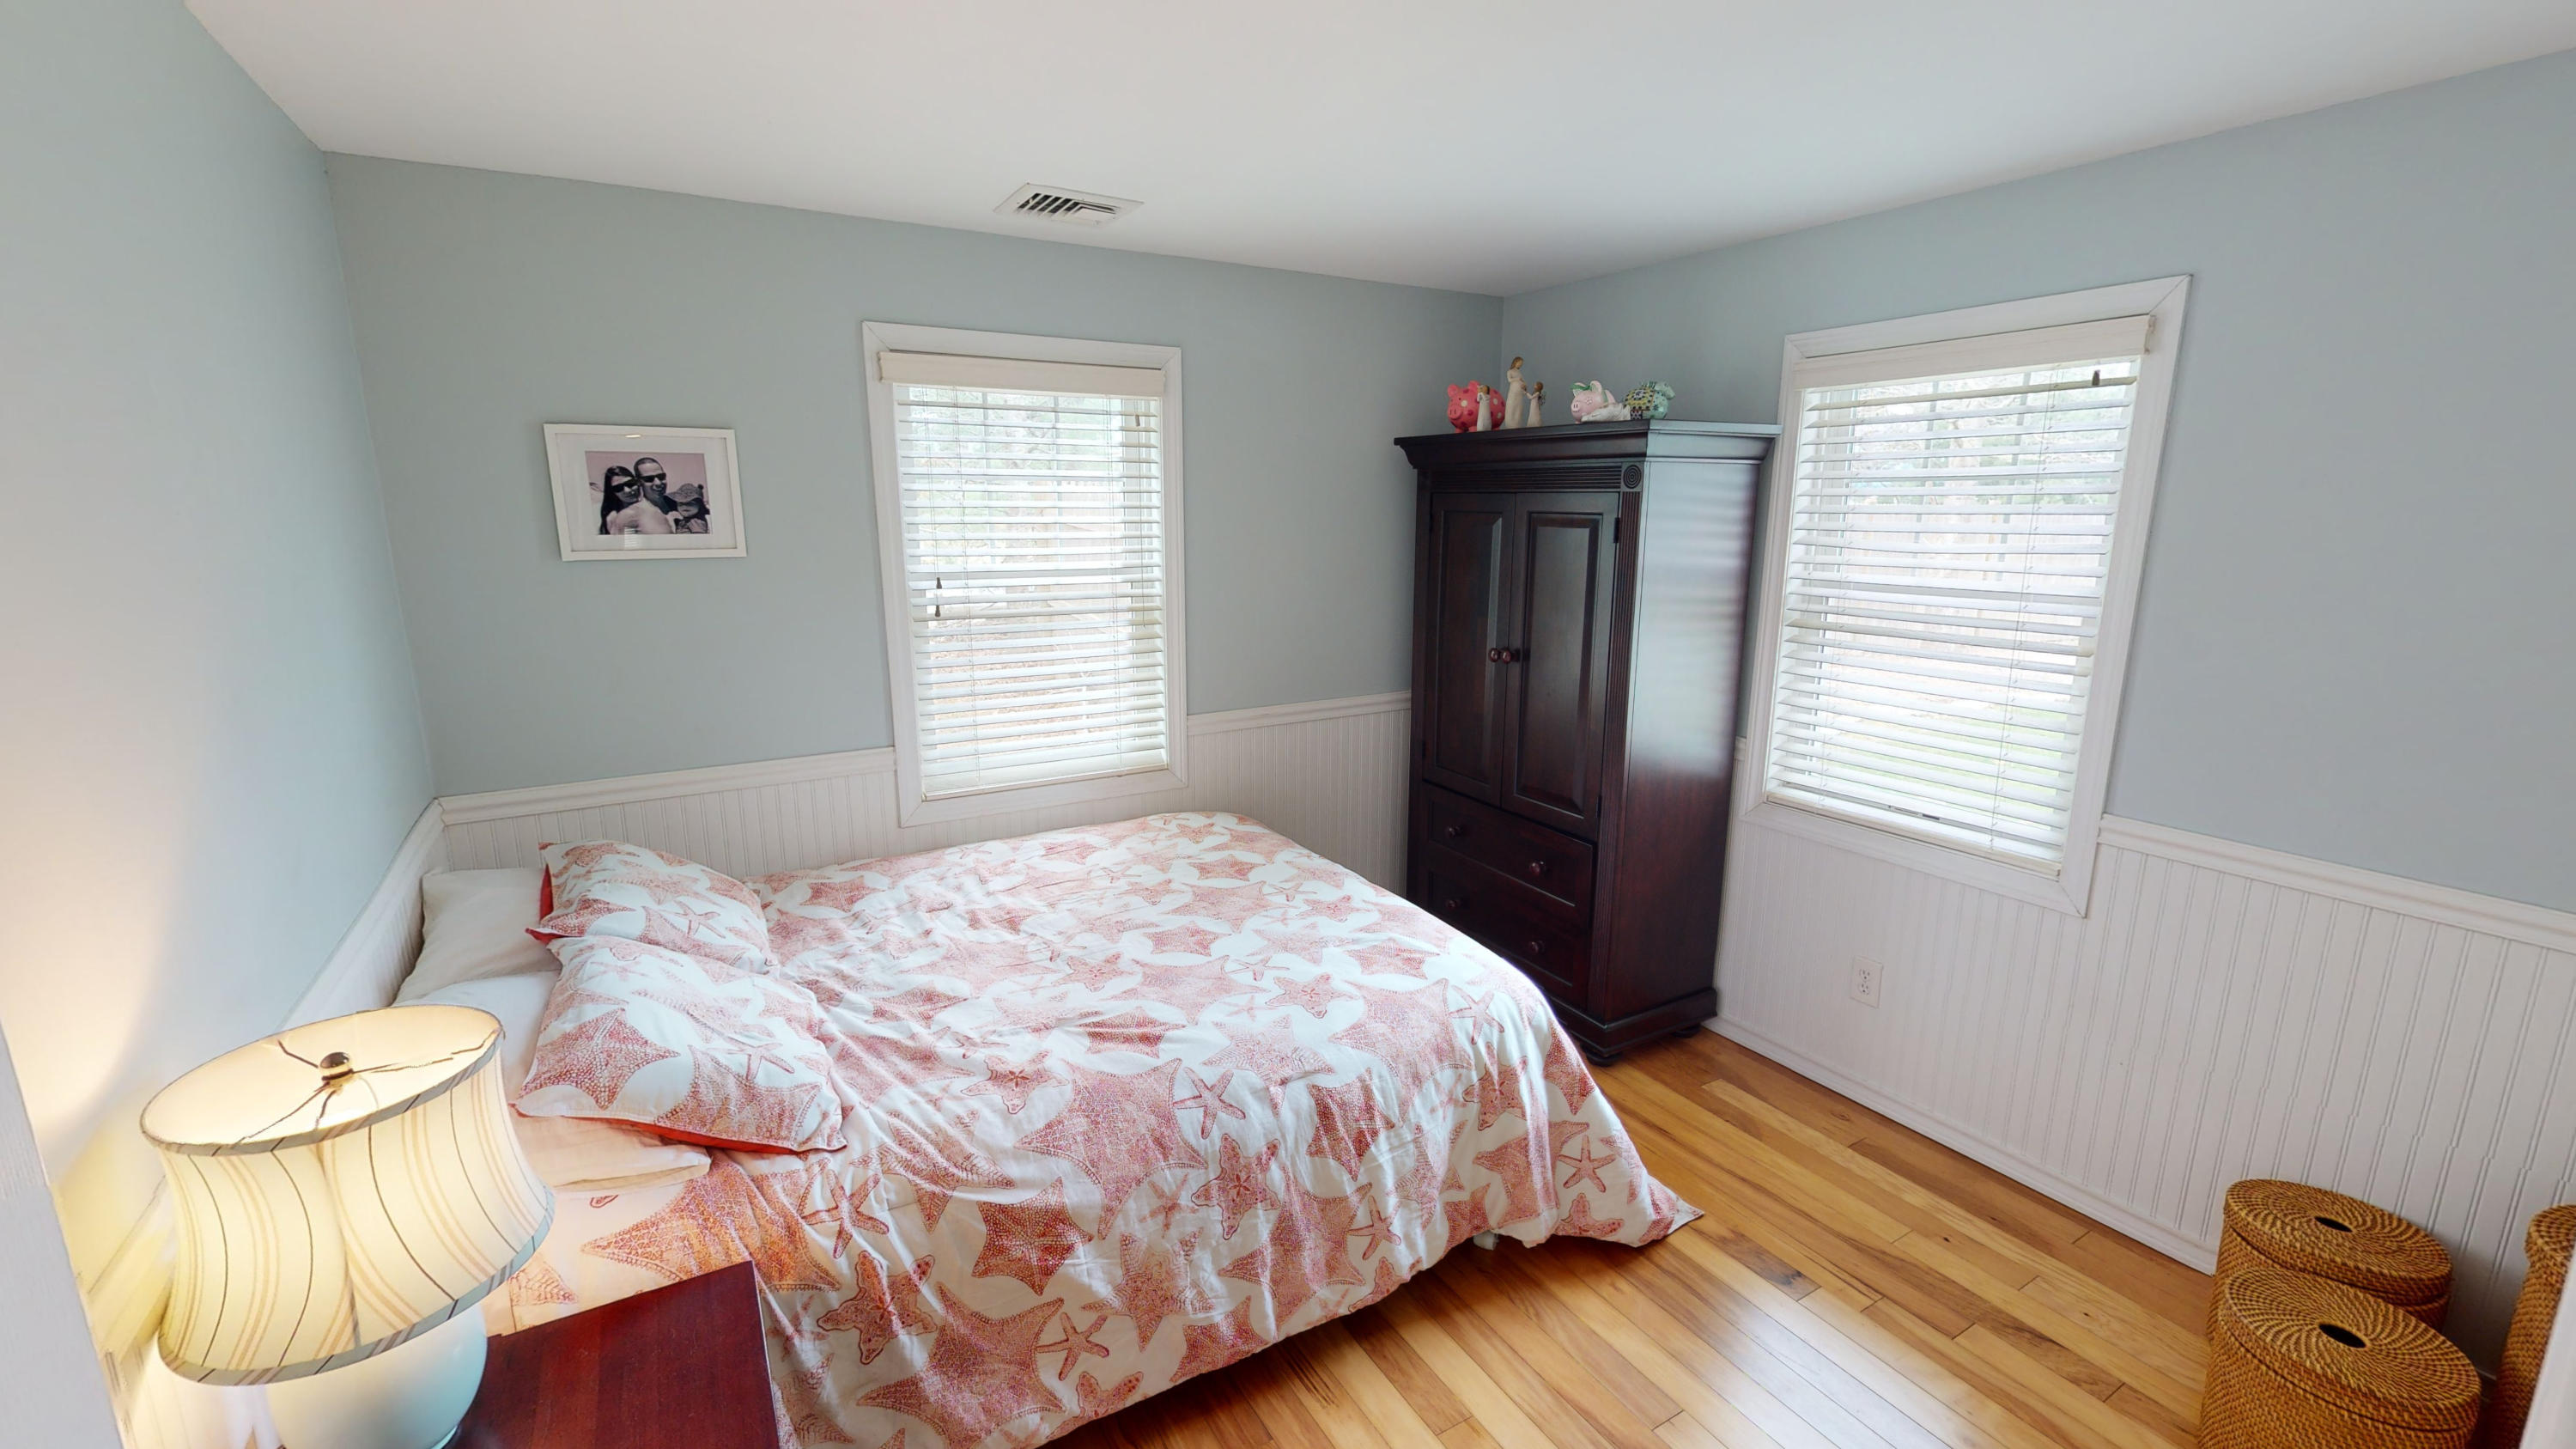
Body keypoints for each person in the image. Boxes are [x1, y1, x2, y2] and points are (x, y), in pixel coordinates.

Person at [598, 465, 671, 535]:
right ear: (612, 493)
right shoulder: (614, 517)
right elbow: (627, 542)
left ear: (638, 483)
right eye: (618, 488)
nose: (627, 490)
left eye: (630, 483)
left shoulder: (652, 506)